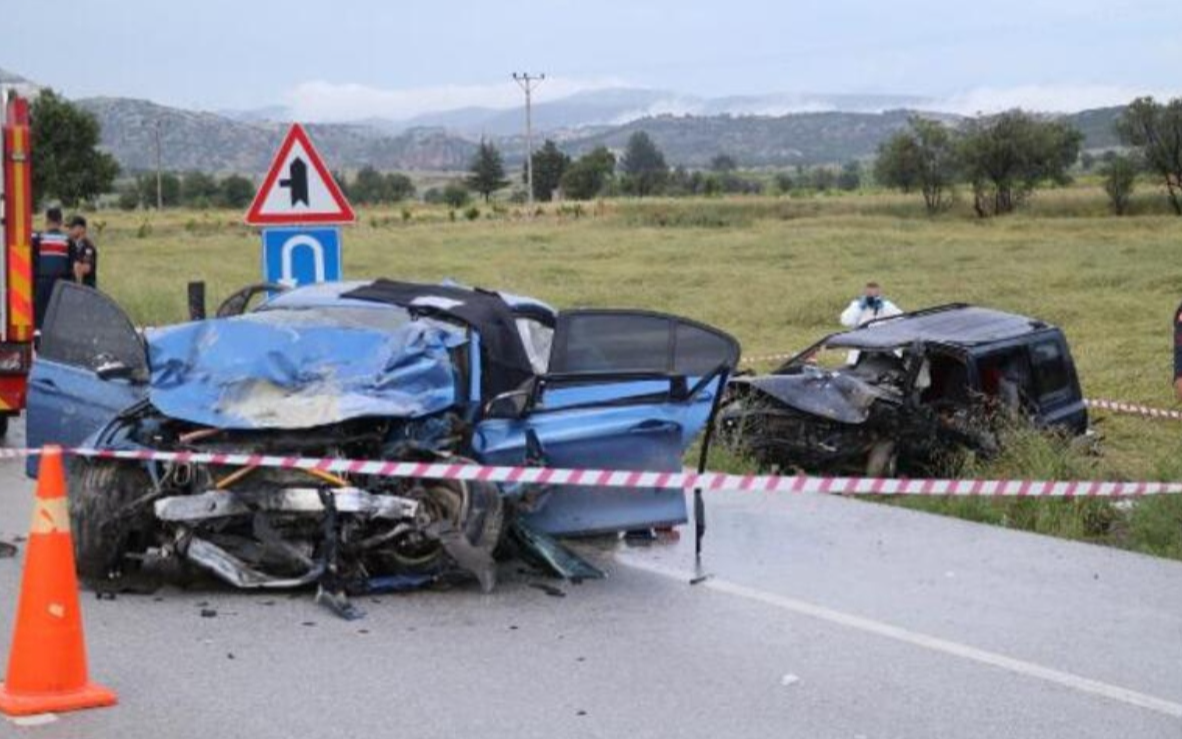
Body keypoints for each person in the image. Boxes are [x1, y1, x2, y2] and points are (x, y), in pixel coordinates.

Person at [31, 207, 72, 330]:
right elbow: (73, 266)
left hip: (42, 282)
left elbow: (33, 262)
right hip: (62, 283)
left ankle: (39, 341)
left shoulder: (38, 239)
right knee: (59, 315)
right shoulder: (67, 241)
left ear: (47, 220)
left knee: (41, 316)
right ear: (60, 221)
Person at [67, 215, 97, 288]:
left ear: (81, 229)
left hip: (86, 288)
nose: (69, 230)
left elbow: (87, 268)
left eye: (72, 228)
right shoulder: (70, 244)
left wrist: (72, 269)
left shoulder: (88, 247)